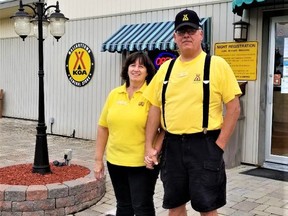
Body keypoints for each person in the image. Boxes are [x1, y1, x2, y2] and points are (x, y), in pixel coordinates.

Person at [144, 9, 242, 216]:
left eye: (191, 30)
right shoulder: (165, 69)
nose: (186, 35)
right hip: (172, 147)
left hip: (205, 145)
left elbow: (234, 109)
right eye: (181, 32)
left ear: (200, 34)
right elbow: (154, 109)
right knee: (175, 205)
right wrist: (149, 147)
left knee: (207, 207)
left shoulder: (217, 65)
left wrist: (219, 146)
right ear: (174, 37)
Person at [94, 52, 160, 216]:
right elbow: (103, 127)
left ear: (147, 72)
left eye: (141, 66)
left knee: (142, 206)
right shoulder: (114, 94)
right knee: (123, 206)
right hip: (115, 162)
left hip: (142, 164)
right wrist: (98, 160)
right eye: (133, 65)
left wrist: (154, 151)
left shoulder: (153, 97)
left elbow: (164, 130)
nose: (136, 69)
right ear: (127, 68)